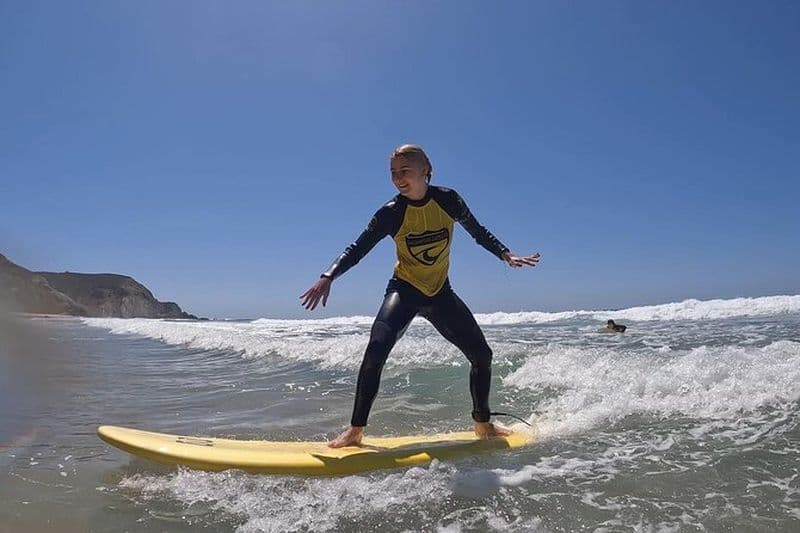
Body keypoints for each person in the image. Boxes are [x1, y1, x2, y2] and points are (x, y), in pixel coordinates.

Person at [300, 144, 541, 448]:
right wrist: (328, 276)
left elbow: (477, 231)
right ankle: (355, 430)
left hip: (440, 293)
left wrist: (505, 254)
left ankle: (483, 424)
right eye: (393, 173)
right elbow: (357, 248)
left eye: (405, 171)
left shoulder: (448, 200)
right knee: (376, 349)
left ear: (426, 170)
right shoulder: (391, 213)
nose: (398, 178)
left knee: (482, 355)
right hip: (405, 290)